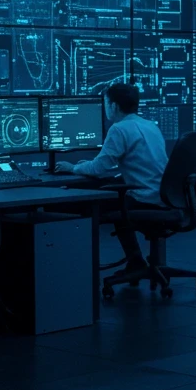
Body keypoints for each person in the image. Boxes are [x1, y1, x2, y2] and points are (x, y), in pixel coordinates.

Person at [54, 82, 169, 264]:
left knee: (89, 206)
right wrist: (92, 165)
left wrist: (72, 168)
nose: (105, 107)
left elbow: (99, 169)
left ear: (114, 106)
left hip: (143, 197)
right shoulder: (149, 125)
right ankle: (135, 260)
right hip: (163, 195)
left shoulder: (119, 128)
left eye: (106, 103)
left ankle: (80, 266)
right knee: (115, 197)